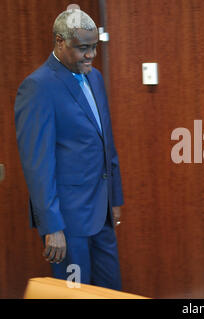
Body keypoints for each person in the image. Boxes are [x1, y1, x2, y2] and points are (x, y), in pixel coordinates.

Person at [14, 7, 124, 290]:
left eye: (94, 47)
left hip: (102, 214)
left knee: (110, 291)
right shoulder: (38, 87)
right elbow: (38, 165)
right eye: (82, 48)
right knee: (75, 295)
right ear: (59, 42)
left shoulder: (95, 77)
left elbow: (105, 142)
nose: (90, 55)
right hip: (68, 223)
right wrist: (51, 227)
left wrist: (115, 198)